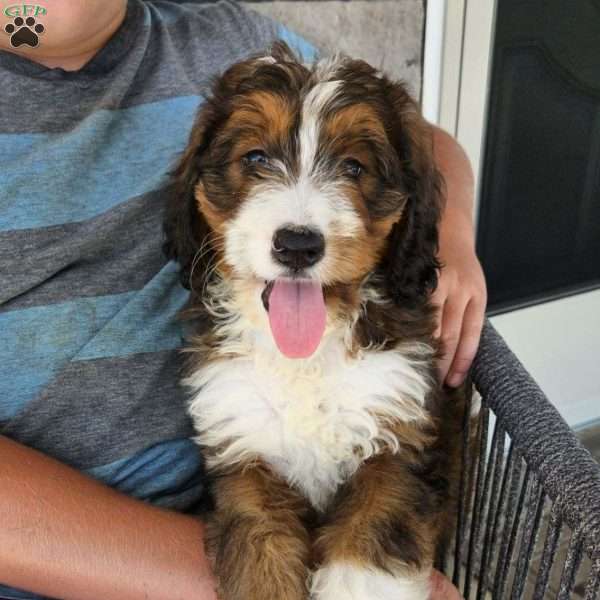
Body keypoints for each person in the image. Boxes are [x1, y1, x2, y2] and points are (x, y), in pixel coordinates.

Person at [0, 1, 484, 598]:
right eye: (256, 160)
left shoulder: (228, 36)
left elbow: (414, 142)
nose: (298, 206)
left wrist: (450, 234)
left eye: (352, 167)